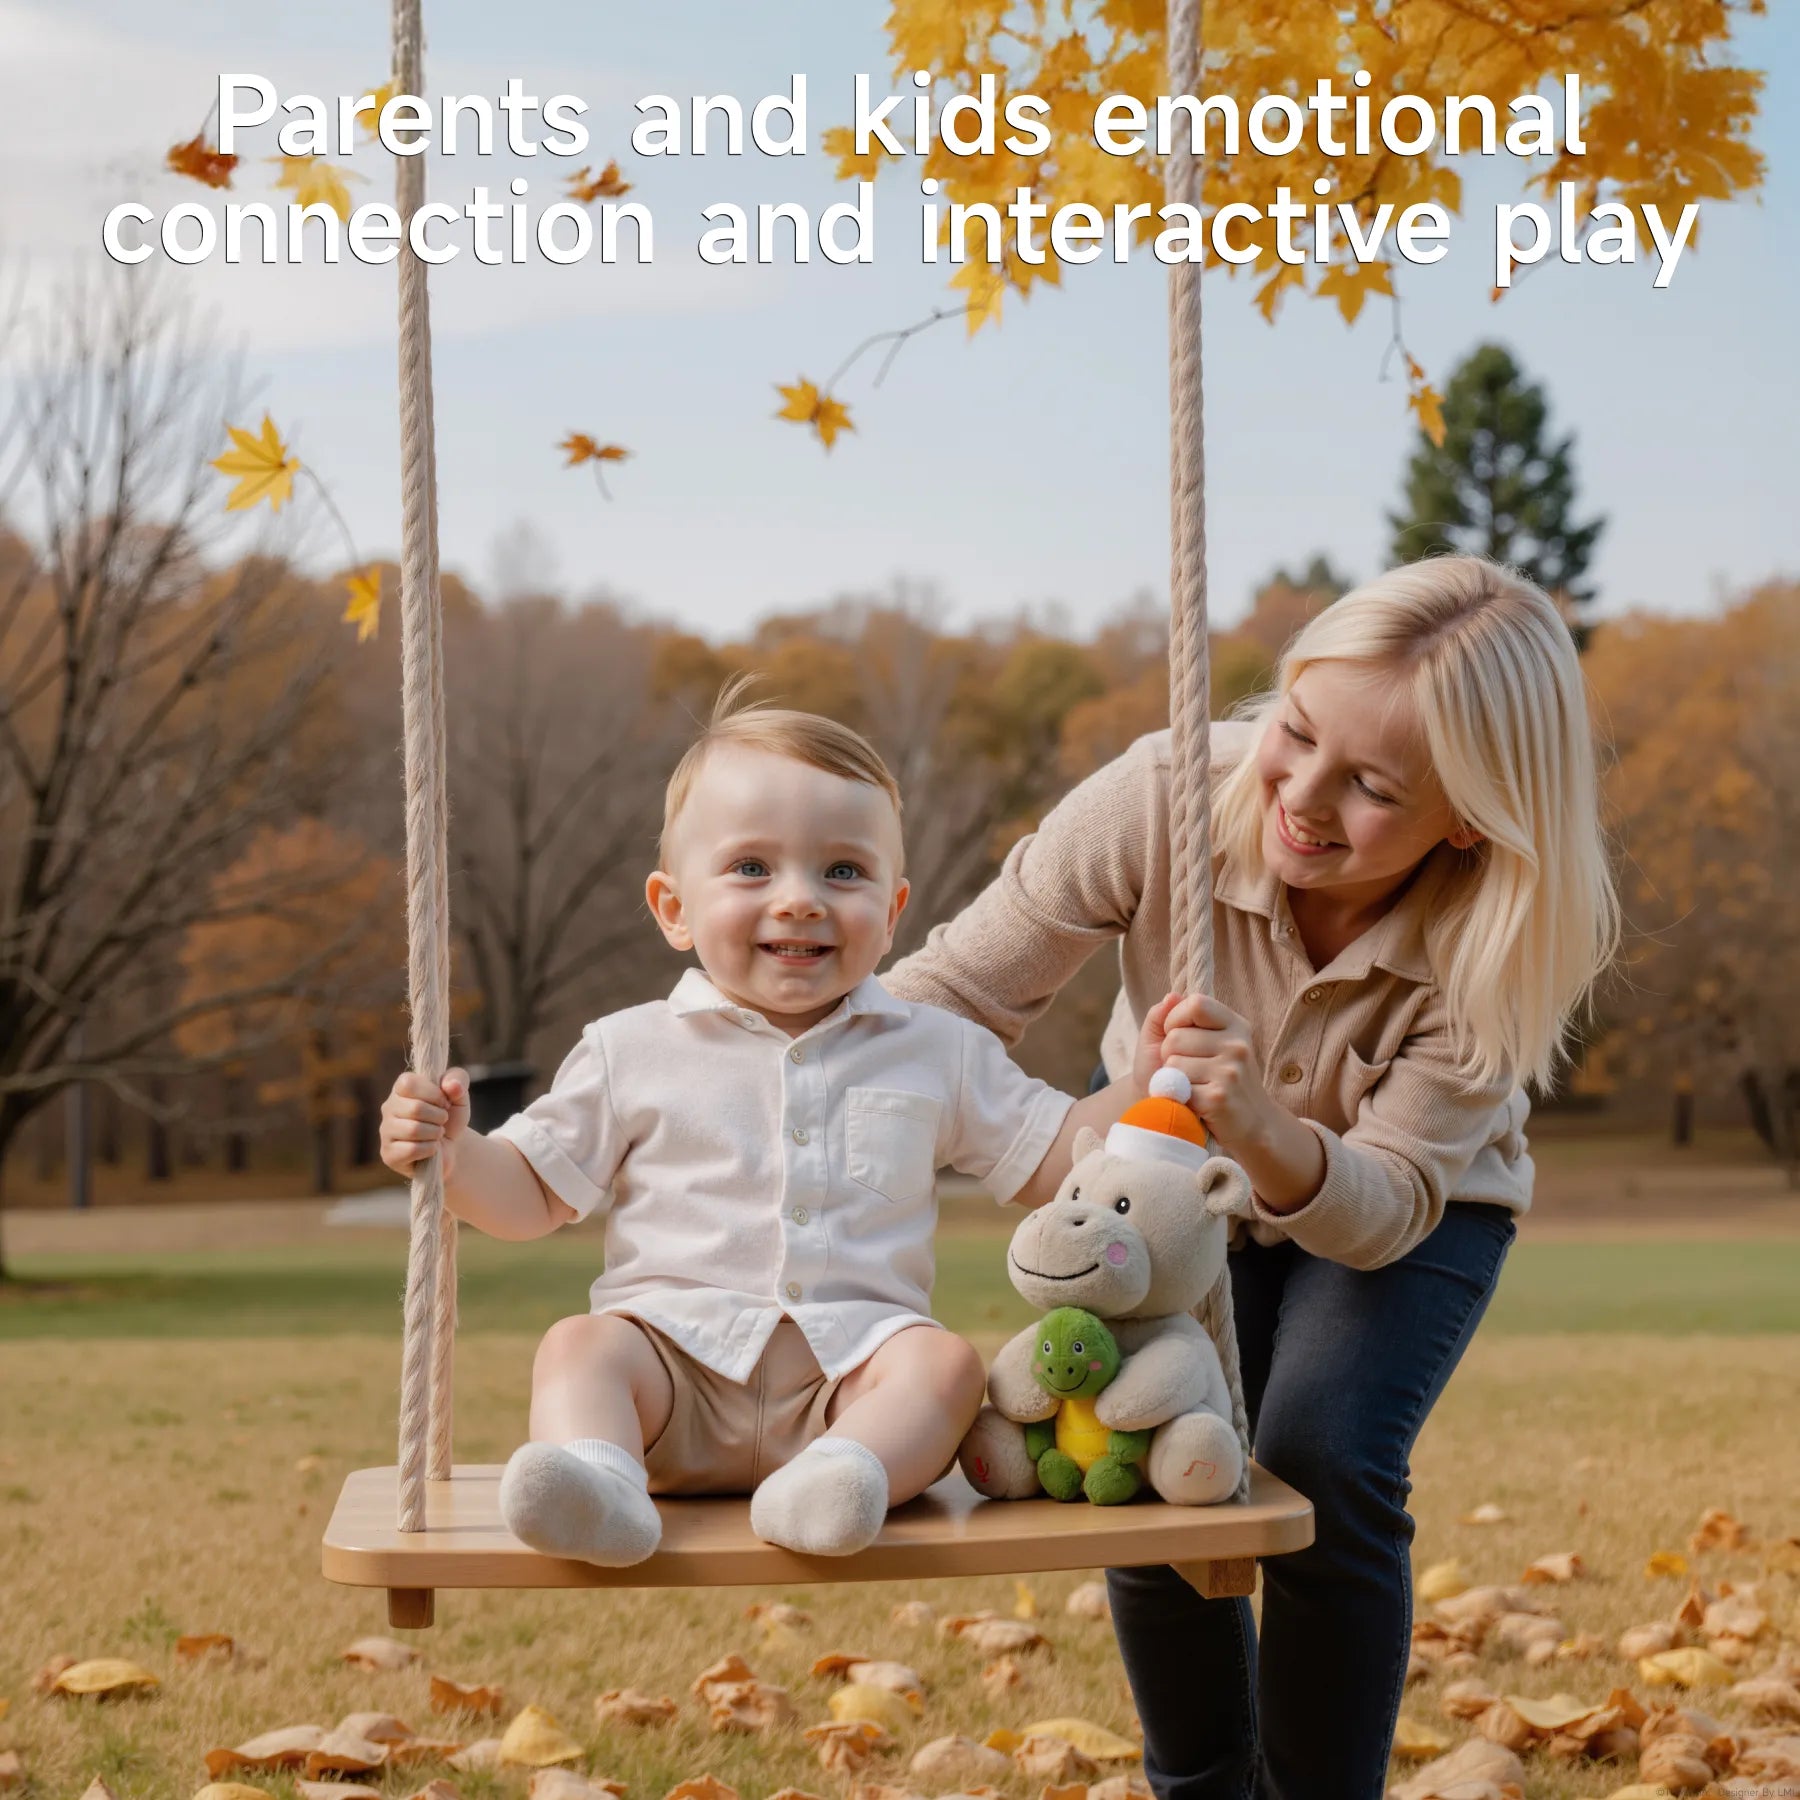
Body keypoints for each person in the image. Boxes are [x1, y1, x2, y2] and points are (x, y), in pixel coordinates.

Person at [884, 556, 1620, 1800]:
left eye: (1373, 788)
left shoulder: (1497, 934)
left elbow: (1385, 1205)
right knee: (1153, 1442)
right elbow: (940, 1004)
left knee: (1320, 1455)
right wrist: (1088, 1136)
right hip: (1166, 1184)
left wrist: (1266, 1127)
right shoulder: (1165, 796)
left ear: (1469, 817)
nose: (1304, 796)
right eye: (1294, 730)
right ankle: (1206, 1786)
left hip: (1402, 1214)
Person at [378, 682, 1171, 1568]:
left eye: (843, 871)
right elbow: (524, 1198)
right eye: (752, 868)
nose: (799, 900)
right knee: (580, 1346)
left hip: (848, 1386)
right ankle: (599, 1482)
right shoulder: (627, 1049)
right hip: (668, 1382)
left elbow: (1058, 1161)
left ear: (893, 911)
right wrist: (452, 1152)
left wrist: (1155, 1080)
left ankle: (839, 1480)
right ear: (673, 907)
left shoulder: (935, 1050)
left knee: (944, 1368)